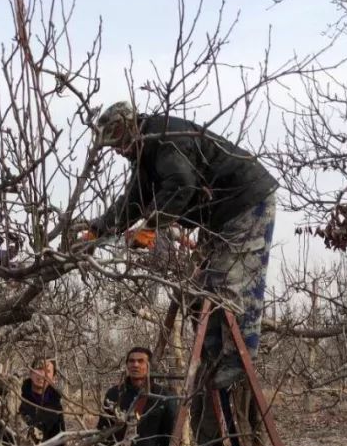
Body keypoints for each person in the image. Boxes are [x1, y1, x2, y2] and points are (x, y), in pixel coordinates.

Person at [86, 101, 277, 390]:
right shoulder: (147, 153)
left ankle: (238, 359)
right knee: (203, 287)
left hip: (246, 202)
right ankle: (214, 354)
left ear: (128, 127)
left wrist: (151, 227)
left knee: (230, 283)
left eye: (118, 141)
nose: (117, 149)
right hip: (219, 215)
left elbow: (181, 185)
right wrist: (98, 230)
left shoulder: (165, 140)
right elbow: (134, 199)